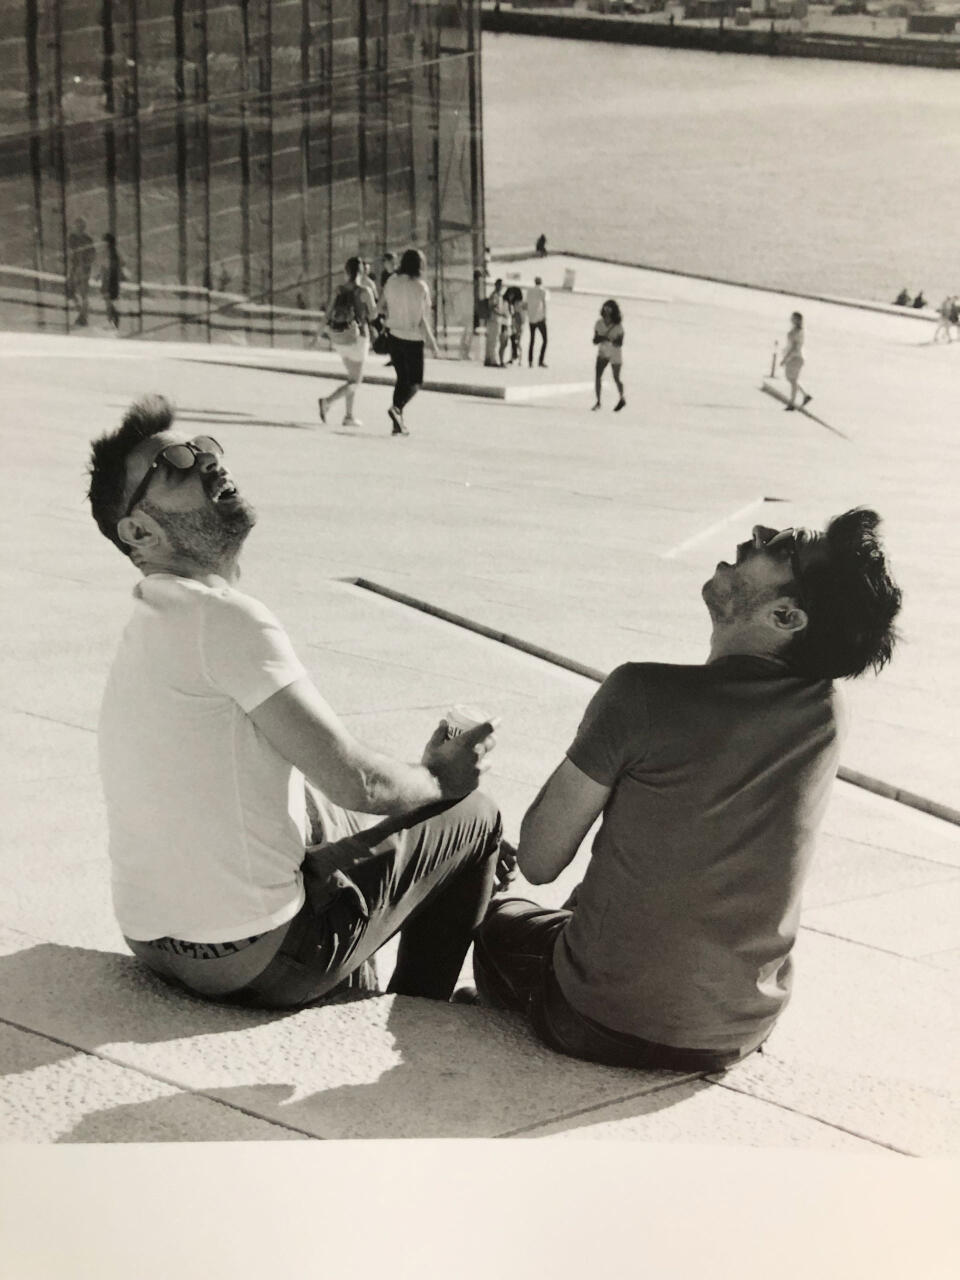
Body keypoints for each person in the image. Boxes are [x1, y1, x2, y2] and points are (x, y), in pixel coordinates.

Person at [86, 395, 504, 1008]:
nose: (208, 463)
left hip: (154, 940)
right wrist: (439, 779)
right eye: (177, 464)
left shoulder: (154, 620)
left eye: (205, 447)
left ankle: (357, 981)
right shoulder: (225, 619)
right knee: (476, 815)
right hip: (257, 957)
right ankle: (423, 1010)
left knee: (321, 816)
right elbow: (357, 780)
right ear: (140, 531)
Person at [471, 511, 902, 1073]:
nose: (757, 537)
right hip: (735, 1030)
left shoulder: (641, 693)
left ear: (786, 615)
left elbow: (539, 858)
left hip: (591, 1019)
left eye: (784, 545)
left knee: (497, 921)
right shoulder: (826, 713)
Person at [379, 247, 440, 436]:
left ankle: (398, 423)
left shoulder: (391, 281)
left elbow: (381, 306)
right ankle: (397, 409)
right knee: (415, 382)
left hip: (394, 336)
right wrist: (433, 345)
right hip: (413, 338)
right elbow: (423, 320)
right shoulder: (421, 287)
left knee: (401, 379)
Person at [318, 257, 372, 428]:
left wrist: (317, 334)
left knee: (351, 378)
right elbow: (374, 315)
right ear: (362, 271)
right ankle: (327, 401)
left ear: (346, 272)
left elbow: (327, 314)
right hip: (358, 337)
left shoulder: (338, 290)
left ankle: (349, 416)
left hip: (339, 338)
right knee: (356, 381)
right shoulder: (365, 291)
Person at [592, 299, 625, 412]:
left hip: (615, 353)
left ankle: (621, 398)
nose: (606, 310)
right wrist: (604, 338)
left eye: (609, 308)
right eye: (605, 308)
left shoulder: (618, 326)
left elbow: (620, 343)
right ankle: (598, 401)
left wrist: (611, 340)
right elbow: (595, 340)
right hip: (603, 352)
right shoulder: (599, 323)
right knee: (598, 376)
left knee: (616, 377)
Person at [66, 218, 96, 326]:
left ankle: (83, 316)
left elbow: (92, 255)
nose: (78, 227)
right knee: (70, 291)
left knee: (83, 293)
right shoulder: (72, 238)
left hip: (83, 269)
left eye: (80, 226)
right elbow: (69, 251)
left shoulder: (87, 239)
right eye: (77, 225)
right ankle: (82, 313)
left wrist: (85, 264)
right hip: (76, 268)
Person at [779, 311, 811, 411]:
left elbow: (794, 347)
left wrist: (785, 359)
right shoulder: (796, 330)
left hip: (795, 358)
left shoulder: (797, 331)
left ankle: (791, 403)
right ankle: (805, 395)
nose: (791, 319)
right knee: (791, 379)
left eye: (793, 318)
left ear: (797, 320)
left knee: (792, 380)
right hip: (795, 357)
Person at [100, 233, 124, 330]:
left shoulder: (112, 253)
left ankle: (113, 322)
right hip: (109, 280)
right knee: (109, 302)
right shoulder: (110, 252)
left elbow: (113, 266)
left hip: (111, 281)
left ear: (109, 243)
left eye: (104, 241)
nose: (103, 243)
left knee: (110, 302)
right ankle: (112, 322)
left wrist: (106, 274)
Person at [526, 276, 548, 367]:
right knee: (545, 340)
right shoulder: (542, 291)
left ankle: (530, 361)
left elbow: (527, 303)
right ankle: (540, 360)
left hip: (531, 318)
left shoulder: (529, 291)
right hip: (539, 318)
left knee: (532, 340)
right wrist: (544, 316)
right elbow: (544, 304)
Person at [503, 286, 526, 365]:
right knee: (516, 342)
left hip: (516, 325)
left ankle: (517, 359)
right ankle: (517, 359)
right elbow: (522, 316)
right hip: (516, 325)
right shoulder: (520, 303)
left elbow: (519, 316)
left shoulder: (516, 304)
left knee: (516, 342)